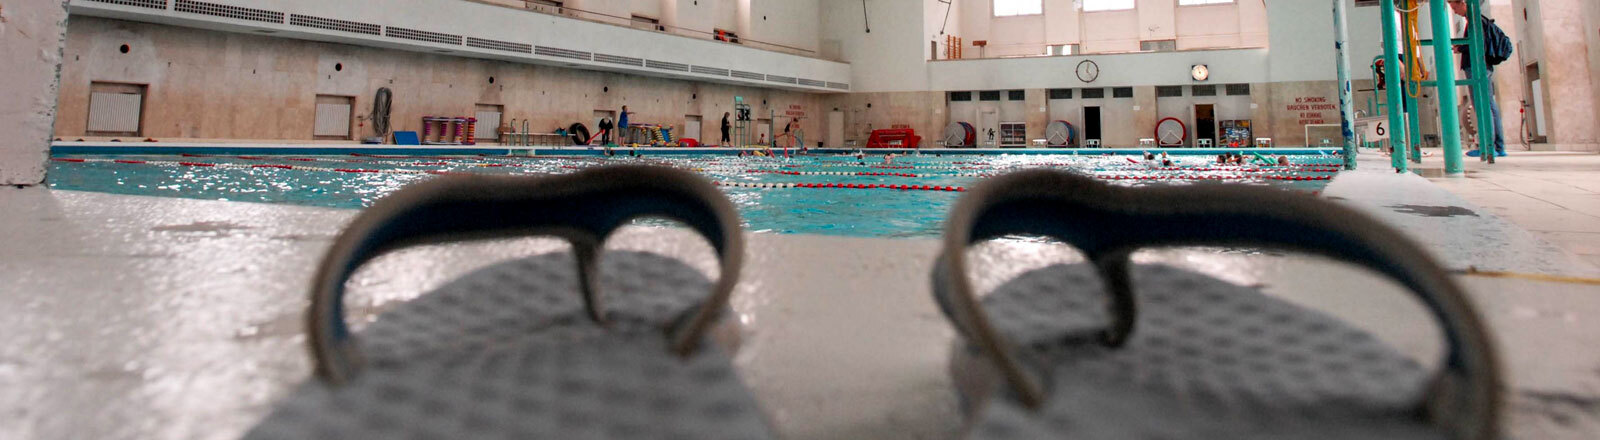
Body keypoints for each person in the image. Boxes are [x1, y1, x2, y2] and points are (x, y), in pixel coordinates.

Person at [1450, 0, 1509, 158]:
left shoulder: (1475, 21)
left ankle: (1487, 146)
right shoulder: (1478, 19)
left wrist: (1460, 47)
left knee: (1482, 106)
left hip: (1476, 66)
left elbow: (1477, 44)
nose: (1454, 11)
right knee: (1489, 105)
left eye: (1454, 7)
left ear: (1463, 3)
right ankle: (1498, 146)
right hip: (1483, 66)